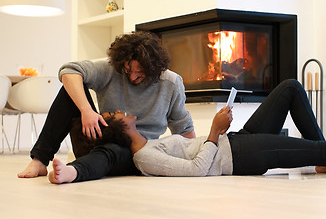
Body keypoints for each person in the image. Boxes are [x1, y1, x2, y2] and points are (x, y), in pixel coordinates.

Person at [48, 79, 326, 183]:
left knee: (288, 88)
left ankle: (319, 158)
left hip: (236, 144)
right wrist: (215, 132)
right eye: (114, 113)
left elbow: (192, 152)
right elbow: (199, 171)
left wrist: (211, 133)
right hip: (241, 157)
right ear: (118, 128)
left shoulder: (148, 145)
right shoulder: (144, 156)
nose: (119, 108)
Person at [18, 31, 195, 178]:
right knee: (68, 93)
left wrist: (195, 159)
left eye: (139, 73)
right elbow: (69, 70)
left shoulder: (171, 83)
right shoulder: (111, 69)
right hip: (99, 136)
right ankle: (39, 161)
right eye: (128, 70)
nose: (132, 77)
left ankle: (73, 172)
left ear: (155, 68)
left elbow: (183, 128)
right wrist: (86, 110)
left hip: (136, 152)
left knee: (115, 150)